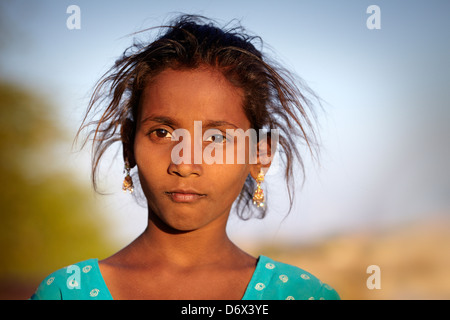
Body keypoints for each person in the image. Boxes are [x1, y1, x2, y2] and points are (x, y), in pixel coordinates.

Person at [30, 14, 340, 300]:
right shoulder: (66, 292)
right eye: (162, 133)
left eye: (216, 138)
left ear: (259, 155)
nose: (184, 163)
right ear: (129, 145)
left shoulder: (302, 294)